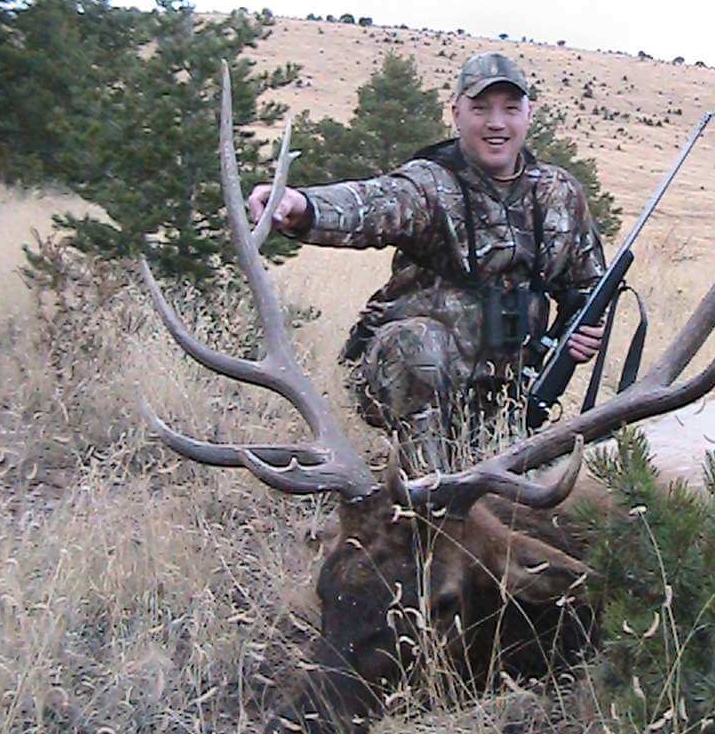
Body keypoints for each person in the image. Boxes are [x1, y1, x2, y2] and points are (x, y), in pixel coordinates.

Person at [248, 51, 607, 471]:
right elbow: (372, 203)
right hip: (410, 375)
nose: (496, 123)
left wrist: (582, 332)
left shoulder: (559, 193)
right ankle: (427, 488)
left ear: (529, 115)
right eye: (480, 109)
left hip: (508, 391)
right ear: (456, 113)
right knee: (419, 345)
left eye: (511, 109)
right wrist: (301, 206)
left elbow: (589, 288)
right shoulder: (429, 183)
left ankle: (485, 457)